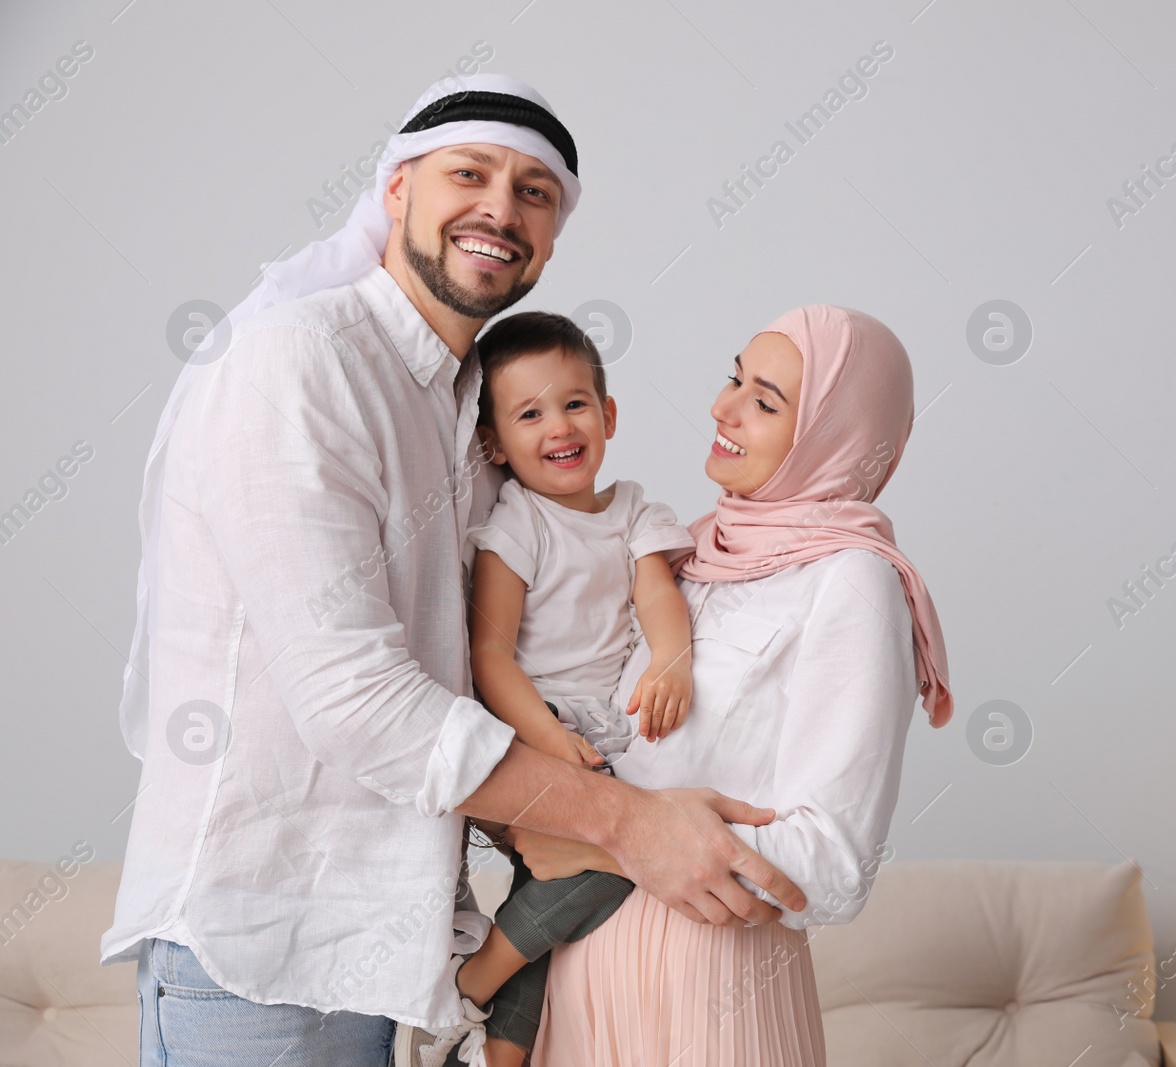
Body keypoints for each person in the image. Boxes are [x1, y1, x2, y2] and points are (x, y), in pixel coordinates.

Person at [102, 74, 804, 1067]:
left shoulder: (476, 411)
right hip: (260, 956)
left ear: (552, 237)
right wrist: (628, 822)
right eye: (467, 174)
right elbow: (353, 697)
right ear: (395, 192)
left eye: (534, 192)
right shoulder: (297, 365)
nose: (499, 208)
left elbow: (525, 632)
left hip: (392, 954)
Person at [519, 304, 956, 1066]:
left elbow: (834, 862)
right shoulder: (689, 552)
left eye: (765, 401)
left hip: (712, 990)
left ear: (835, 434)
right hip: (580, 969)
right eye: (734, 379)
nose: (723, 408)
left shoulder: (851, 581)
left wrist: (606, 839)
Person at [395, 311, 699, 1066]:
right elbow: (490, 652)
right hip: (544, 725)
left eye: (573, 403)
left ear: (608, 415)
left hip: (609, 731)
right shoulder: (518, 521)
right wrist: (544, 736)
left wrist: (672, 660)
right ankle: (476, 976)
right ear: (494, 444)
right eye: (529, 413)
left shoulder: (632, 510)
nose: (558, 425)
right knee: (622, 861)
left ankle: (490, 1043)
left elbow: (659, 597)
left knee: (552, 898)